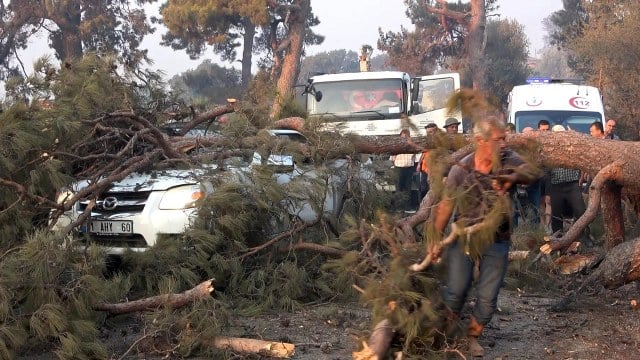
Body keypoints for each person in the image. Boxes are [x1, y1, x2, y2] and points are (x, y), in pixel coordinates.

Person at [427, 116, 540, 357]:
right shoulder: (461, 169)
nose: (504, 144)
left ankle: (471, 336)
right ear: (480, 140)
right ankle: (445, 334)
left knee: (488, 300)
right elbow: (446, 206)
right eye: (498, 140)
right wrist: (435, 239)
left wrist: (513, 178)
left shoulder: (509, 160)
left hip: (497, 239)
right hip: (463, 238)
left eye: (505, 139)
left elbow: (532, 172)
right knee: (456, 290)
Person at [545, 125, 589, 241]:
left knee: (580, 211)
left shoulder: (572, 147)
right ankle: (557, 238)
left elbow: (582, 160)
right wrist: (548, 192)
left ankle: (585, 237)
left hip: (572, 185)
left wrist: (581, 179)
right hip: (556, 186)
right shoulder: (549, 149)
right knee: (556, 215)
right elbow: (547, 173)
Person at [390, 129, 417, 212]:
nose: (404, 138)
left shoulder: (412, 146)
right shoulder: (396, 146)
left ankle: (407, 207)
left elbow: (414, 158)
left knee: (407, 188)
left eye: (406, 136)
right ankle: (398, 207)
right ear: (400, 137)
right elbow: (392, 158)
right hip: (399, 168)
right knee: (399, 188)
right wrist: (395, 167)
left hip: (409, 169)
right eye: (403, 136)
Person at [416, 124, 439, 200]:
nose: (428, 134)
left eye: (430, 132)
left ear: (436, 132)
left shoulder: (439, 141)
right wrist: (419, 164)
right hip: (424, 169)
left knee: (433, 190)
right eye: (427, 132)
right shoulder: (427, 141)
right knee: (423, 189)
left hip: (434, 170)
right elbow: (423, 153)